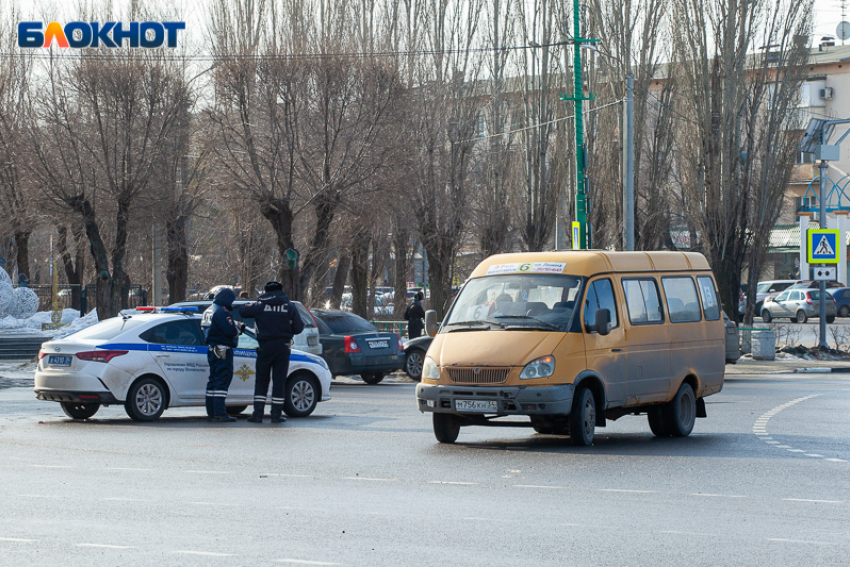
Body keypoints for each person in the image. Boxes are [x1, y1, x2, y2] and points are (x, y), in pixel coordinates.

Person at [238, 281, 304, 424]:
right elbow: (299, 328)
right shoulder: (289, 306)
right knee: (279, 382)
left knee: (261, 381)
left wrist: (250, 304)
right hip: (283, 347)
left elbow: (242, 311)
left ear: (266, 291)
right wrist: (286, 330)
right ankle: (276, 415)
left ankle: (257, 415)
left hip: (265, 346)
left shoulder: (260, 305)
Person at [201, 288, 244, 422]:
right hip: (222, 349)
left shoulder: (209, 310)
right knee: (222, 379)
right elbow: (229, 330)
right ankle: (220, 413)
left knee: (213, 380)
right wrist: (236, 328)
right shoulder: (221, 311)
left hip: (212, 348)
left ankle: (212, 412)